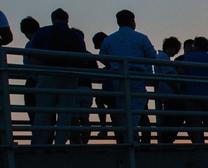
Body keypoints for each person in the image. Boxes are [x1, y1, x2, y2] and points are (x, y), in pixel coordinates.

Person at [29, 9, 90, 145]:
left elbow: (31, 55)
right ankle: (60, 143)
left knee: (43, 112)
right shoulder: (75, 36)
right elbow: (83, 59)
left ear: (52, 19)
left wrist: (41, 70)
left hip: (47, 75)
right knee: (65, 114)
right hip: (70, 76)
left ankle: (39, 143)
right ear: (67, 19)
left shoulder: (43, 32)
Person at [98, 9, 158, 143]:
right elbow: (153, 56)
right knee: (136, 111)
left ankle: (127, 141)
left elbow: (102, 57)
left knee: (122, 112)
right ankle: (133, 141)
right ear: (132, 21)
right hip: (136, 77)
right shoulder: (141, 38)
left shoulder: (109, 39)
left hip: (117, 78)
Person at [175, 36, 208, 143]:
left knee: (194, 122)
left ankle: (199, 144)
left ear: (196, 46)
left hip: (192, 94)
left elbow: (181, 73)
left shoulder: (188, 58)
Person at [153, 36, 181, 144]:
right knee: (173, 119)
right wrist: (177, 90)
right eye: (176, 50)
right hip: (170, 93)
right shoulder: (163, 58)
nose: (176, 53)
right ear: (171, 47)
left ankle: (166, 140)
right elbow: (170, 77)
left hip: (166, 93)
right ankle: (167, 141)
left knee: (170, 119)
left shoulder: (161, 57)